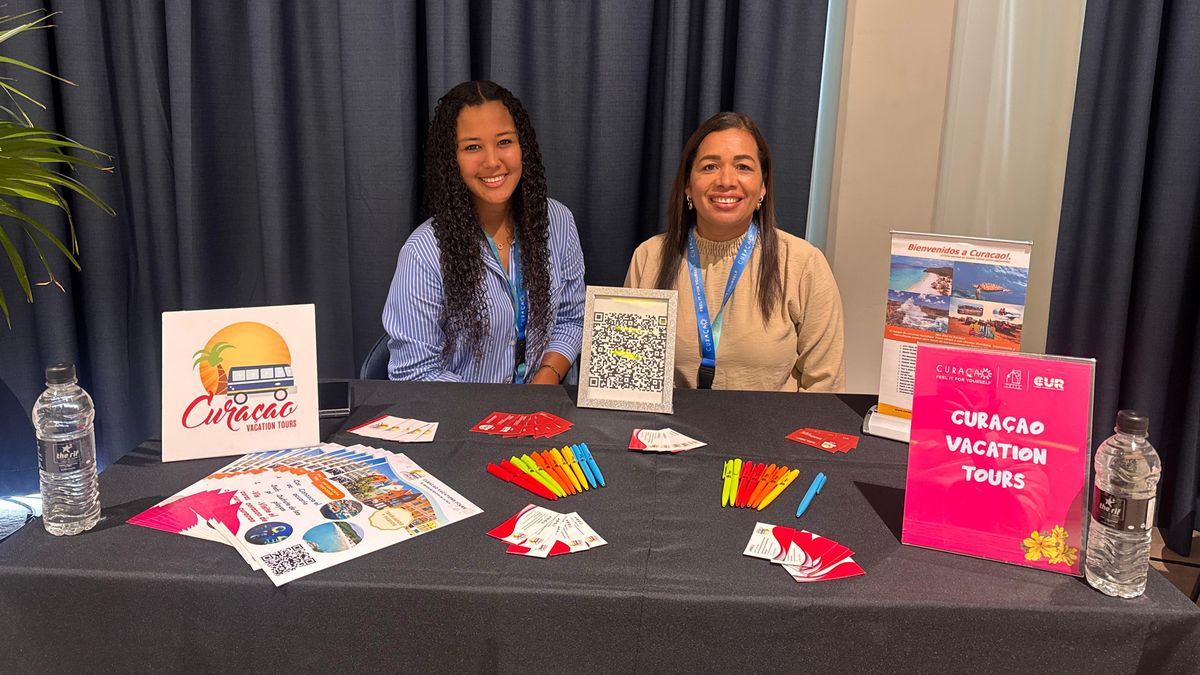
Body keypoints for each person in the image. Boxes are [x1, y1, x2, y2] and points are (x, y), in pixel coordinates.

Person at [625, 112, 845, 392]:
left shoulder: (803, 264)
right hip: (671, 433)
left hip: (773, 433)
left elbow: (825, 386)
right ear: (688, 186)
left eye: (742, 166)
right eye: (709, 167)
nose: (726, 180)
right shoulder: (649, 258)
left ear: (763, 186)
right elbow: (630, 378)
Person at [383, 81, 584, 383]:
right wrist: (494, 416)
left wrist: (547, 376)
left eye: (504, 142)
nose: (492, 161)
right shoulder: (423, 254)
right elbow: (415, 372)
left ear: (522, 146)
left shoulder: (558, 222)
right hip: (461, 420)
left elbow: (572, 318)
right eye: (472, 147)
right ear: (452, 160)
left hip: (540, 411)